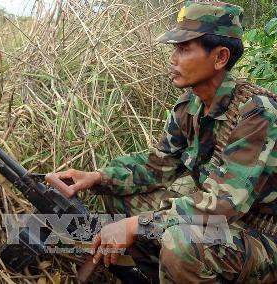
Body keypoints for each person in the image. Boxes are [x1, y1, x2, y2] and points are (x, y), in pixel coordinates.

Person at [46, 1, 277, 283]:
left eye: (184, 49)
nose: (173, 59)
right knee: (116, 198)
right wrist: (97, 177)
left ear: (220, 58)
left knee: (180, 243)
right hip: (225, 227)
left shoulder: (257, 114)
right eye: (174, 49)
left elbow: (222, 206)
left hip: (262, 238)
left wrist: (136, 225)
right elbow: (157, 165)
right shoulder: (189, 106)